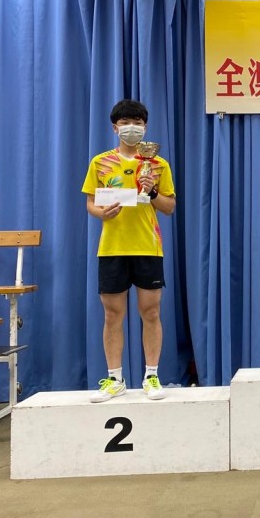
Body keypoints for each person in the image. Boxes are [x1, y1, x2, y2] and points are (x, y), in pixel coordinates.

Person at [82, 99, 176, 402]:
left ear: (145, 127)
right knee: (112, 314)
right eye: (125, 123)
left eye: (137, 123)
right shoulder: (100, 162)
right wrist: (101, 212)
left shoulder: (158, 164)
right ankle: (115, 379)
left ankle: (152, 376)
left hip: (148, 246)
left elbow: (169, 207)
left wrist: (152, 191)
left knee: (151, 311)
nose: (131, 128)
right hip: (112, 248)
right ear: (115, 128)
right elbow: (91, 203)